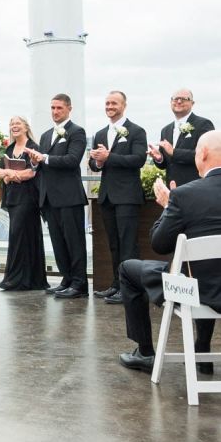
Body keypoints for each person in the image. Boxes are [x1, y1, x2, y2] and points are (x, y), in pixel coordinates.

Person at [116, 131, 221, 373]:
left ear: (203, 153)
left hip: (192, 292)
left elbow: (159, 244)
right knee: (207, 270)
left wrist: (167, 207)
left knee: (127, 269)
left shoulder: (184, 195)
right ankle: (202, 349)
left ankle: (145, 352)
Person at [25, 95, 88, 299]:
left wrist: (45, 158)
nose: (55, 111)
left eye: (59, 107)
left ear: (69, 108)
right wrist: (35, 162)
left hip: (69, 197)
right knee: (58, 242)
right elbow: (41, 166)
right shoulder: (45, 135)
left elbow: (72, 160)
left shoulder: (77, 132)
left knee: (74, 242)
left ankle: (79, 284)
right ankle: (66, 279)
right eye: (52, 107)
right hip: (49, 198)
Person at [90, 91, 149, 304]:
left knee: (128, 244)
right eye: (107, 103)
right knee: (113, 244)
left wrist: (109, 156)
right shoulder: (100, 134)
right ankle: (116, 284)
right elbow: (94, 165)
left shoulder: (136, 131)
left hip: (127, 196)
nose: (109, 106)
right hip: (107, 196)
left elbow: (138, 159)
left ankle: (129, 289)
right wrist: (97, 162)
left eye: (114, 103)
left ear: (124, 105)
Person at [0, 115, 47, 292]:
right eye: (12, 124)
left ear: (26, 127)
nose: (14, 126)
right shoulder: (9, 148)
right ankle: (21, 278)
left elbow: (32, 172)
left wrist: (11, 175)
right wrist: (10, 174)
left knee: (23, 234)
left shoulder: (33, 147)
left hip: (28, 198)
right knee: (16, 235)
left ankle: (20, 279)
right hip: (13, 197)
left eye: (17, 123)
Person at [148, 88, 214, 188]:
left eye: (184, 99)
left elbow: (206, 155)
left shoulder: (203, 124)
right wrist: (159, 158)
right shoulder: (165, 130)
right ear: (171, 102)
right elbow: (166, 165)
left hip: (196, 187)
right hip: (172, 188)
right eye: (176, 99)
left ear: (192, 103)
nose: (179, 101)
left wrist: (174, 152)